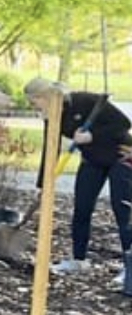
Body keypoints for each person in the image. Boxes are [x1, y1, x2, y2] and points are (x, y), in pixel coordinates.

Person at [24, 77, 132, 278]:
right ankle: (78, 260)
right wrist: (43, 184)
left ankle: (130, 268)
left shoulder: (85, 101)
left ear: (44, 96)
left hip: (122, 155)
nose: (33, 107)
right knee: (82, 208)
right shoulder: (52, 116)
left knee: (122, 210)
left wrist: (93, 136)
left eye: (33, 102)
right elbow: (51, 149)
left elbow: (123, 124)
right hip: (92, 159)